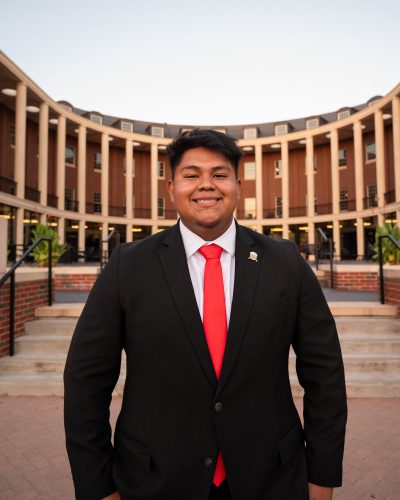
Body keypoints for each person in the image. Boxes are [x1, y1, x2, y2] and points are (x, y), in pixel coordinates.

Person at [64, 129, 347, 500]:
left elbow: (325, 374)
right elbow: (86, 382)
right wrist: (99, 487)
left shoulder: (285, 262)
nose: (206, 186)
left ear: (237, 185)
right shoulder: (127, 266)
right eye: (192, 174)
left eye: (219, 174)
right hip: (154, 482)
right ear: (171, 187)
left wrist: (322, 479)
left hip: (272, 480)